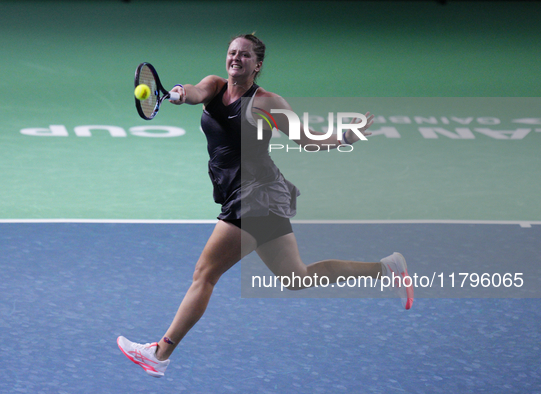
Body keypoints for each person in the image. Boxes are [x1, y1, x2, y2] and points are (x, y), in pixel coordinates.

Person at [117, 34, 414, 378]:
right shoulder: (213, 86)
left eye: (244, 55)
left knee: (205, 274)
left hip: (255, 195)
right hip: (254, 195)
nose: (235, 58)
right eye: (231, 52)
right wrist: (183, 95)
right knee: (296, 278)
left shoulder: (267, 102)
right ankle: (386, 268)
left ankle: (160, 353)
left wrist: (347, 137)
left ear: (257, 65)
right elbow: (194, 91)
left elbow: (308, 140)